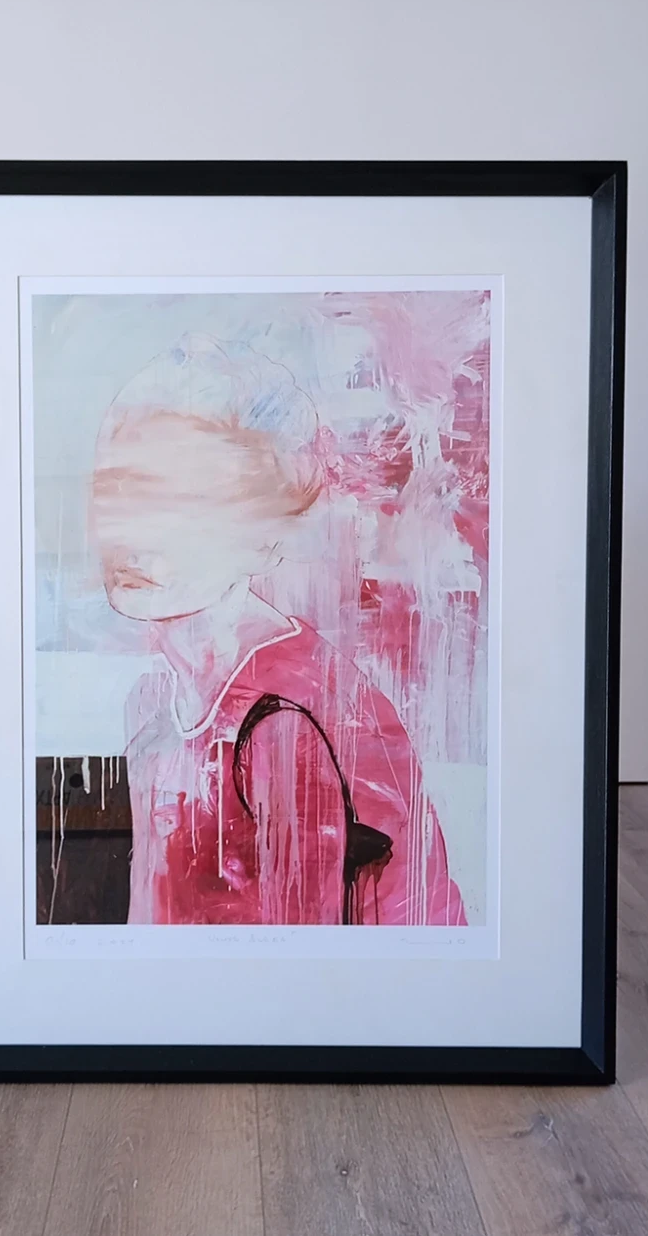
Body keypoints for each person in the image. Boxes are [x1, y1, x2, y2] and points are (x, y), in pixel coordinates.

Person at [91, 333, 466, 927]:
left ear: (265, 540)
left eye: (184, 505)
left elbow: (303, 960)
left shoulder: (283, 722)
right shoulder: (155, 705)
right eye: (119, 490)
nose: (135, 534)